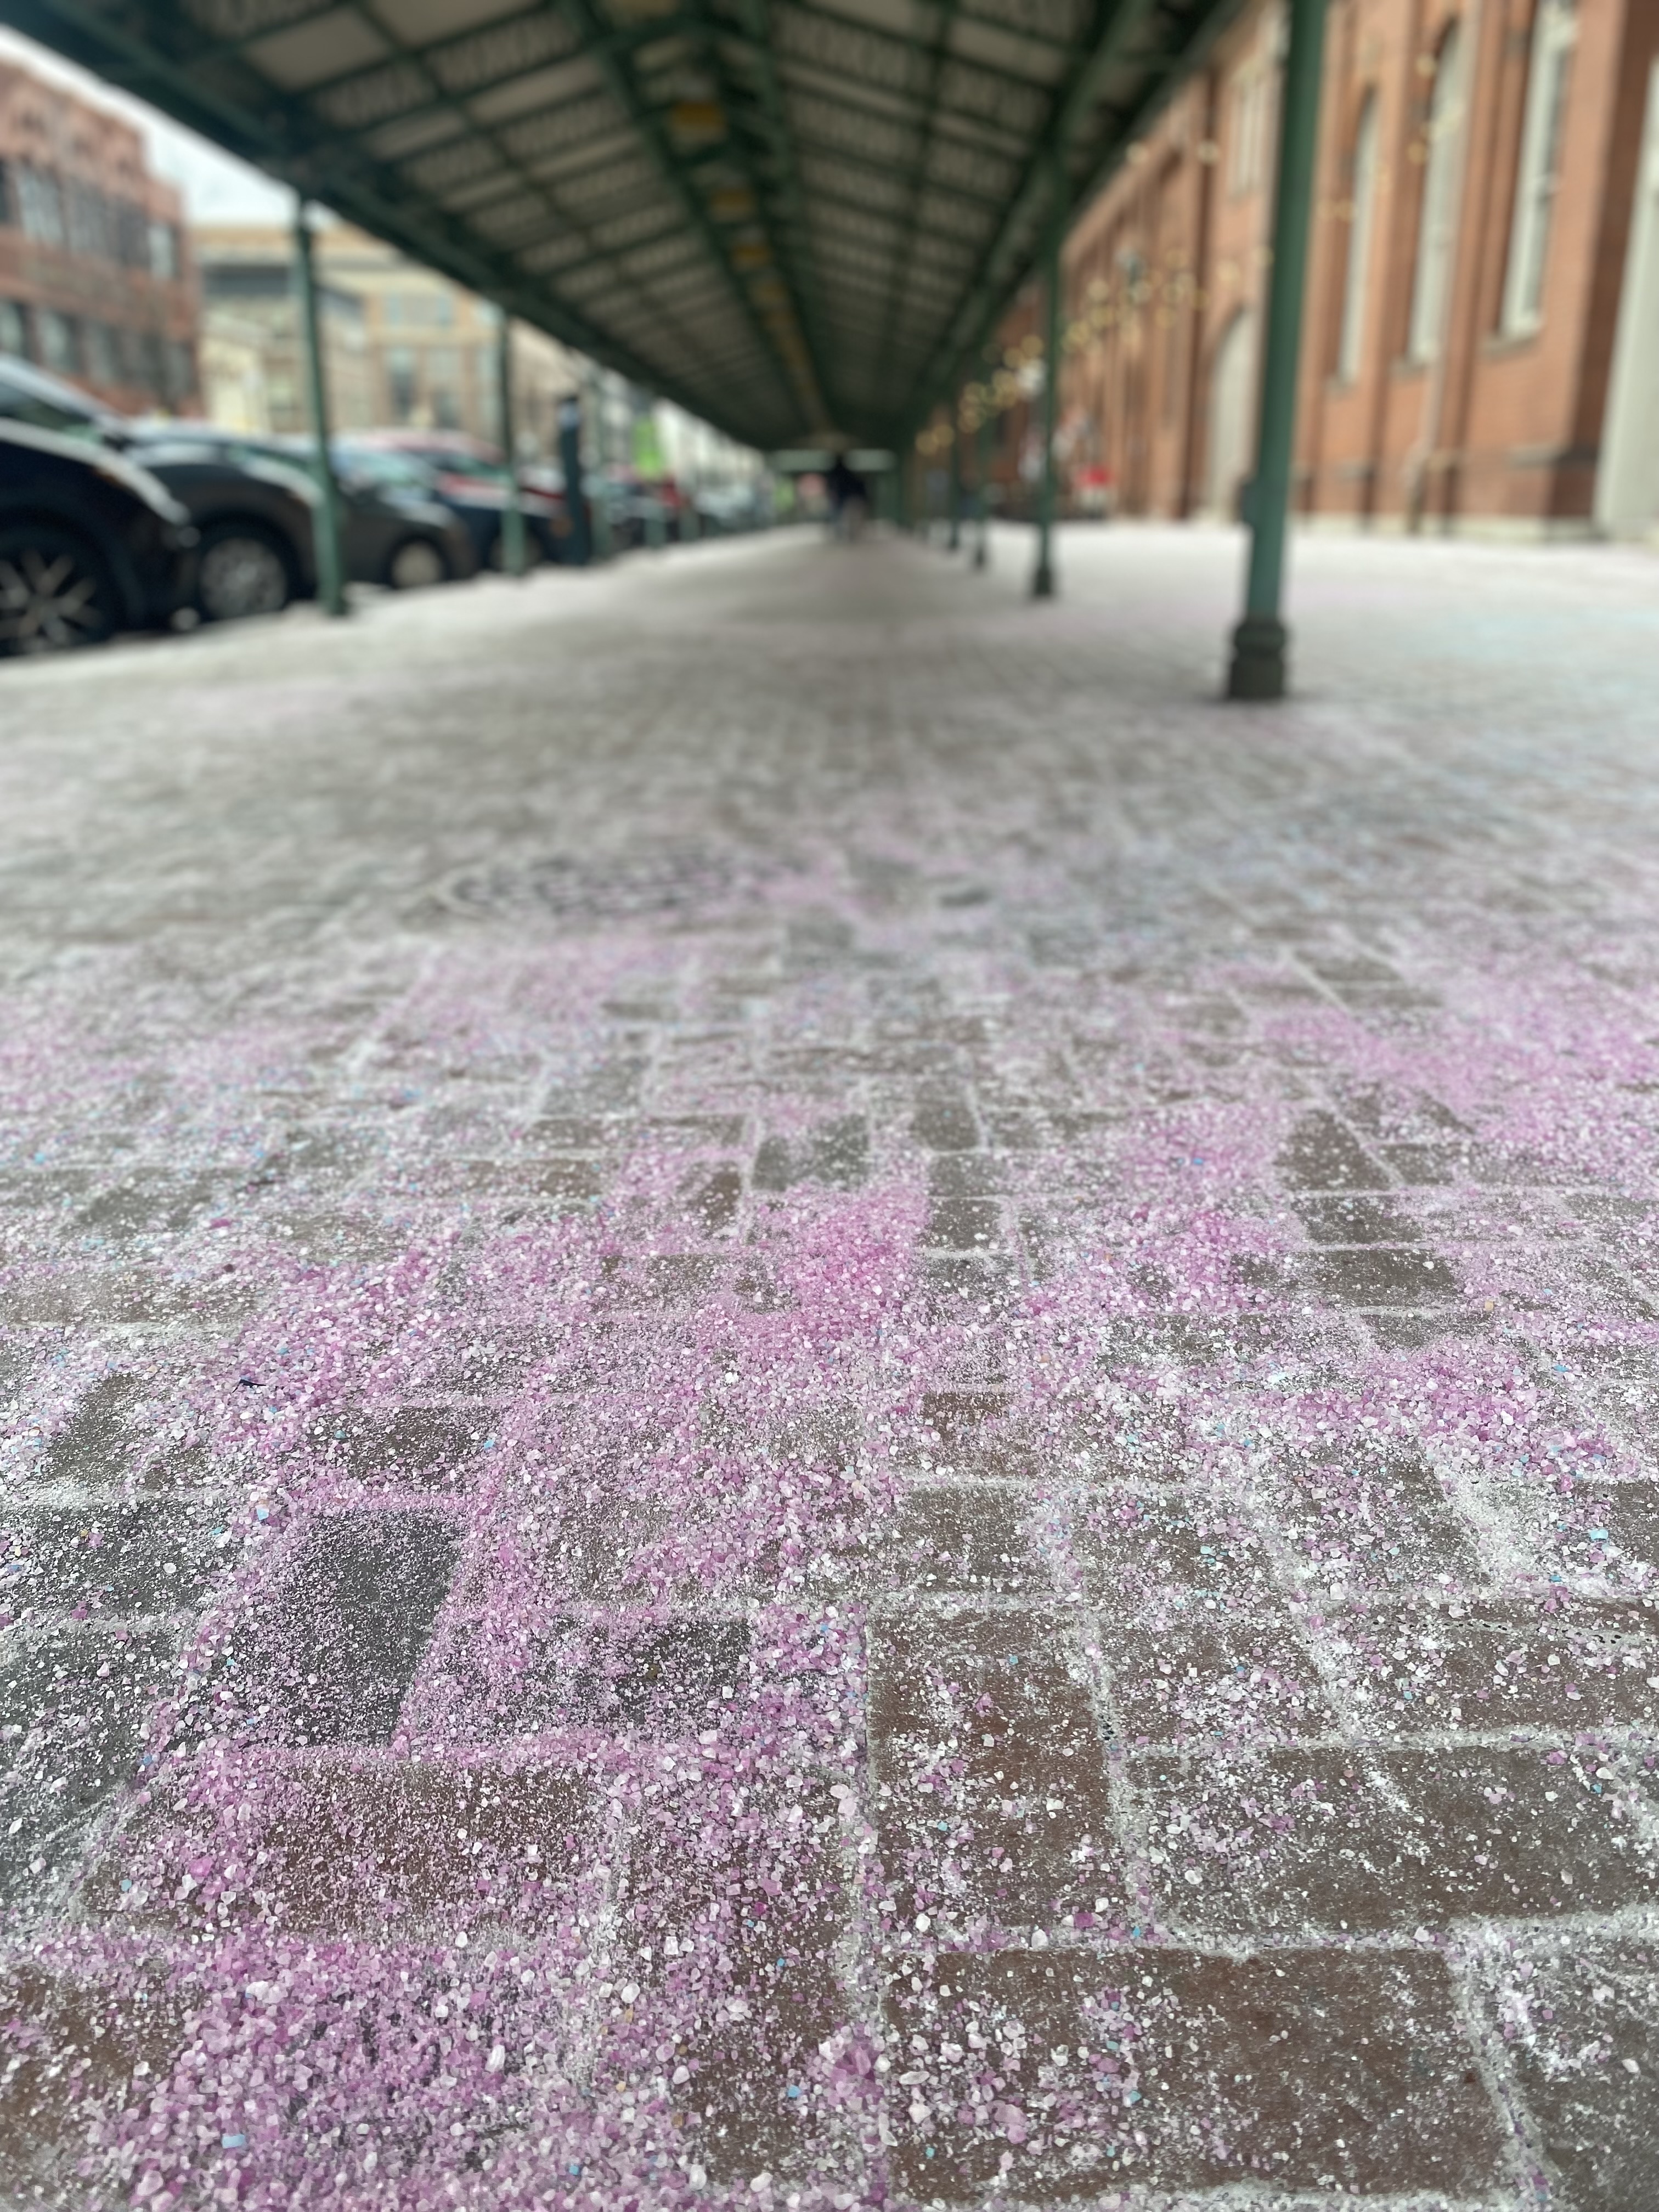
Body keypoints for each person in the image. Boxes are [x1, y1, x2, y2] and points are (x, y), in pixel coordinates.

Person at [825, 452, 868, 541]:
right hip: (853, 498)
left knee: (847, 519)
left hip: (846, 499)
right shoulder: (849, 474)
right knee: (852, 519)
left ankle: (849, 535)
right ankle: (851, 536)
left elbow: (833, 487)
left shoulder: (837, 474)